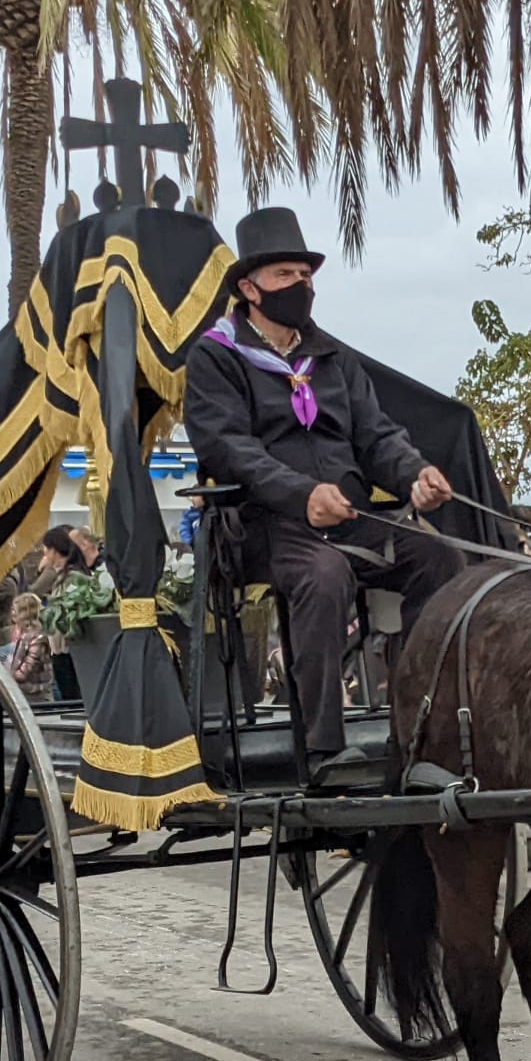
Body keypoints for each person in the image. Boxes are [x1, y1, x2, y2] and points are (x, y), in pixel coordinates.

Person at [184, 206, 462, 776]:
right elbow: (227, 447)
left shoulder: (332, 357)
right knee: (324, 573)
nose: (301, 285)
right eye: (285, 275)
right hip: (263, 525)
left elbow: (376, 436)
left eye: (306, 275)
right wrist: (300, 493)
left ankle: (419, 722)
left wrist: (414, 474)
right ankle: (321, 748)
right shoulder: (216, 355)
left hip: (349, 516)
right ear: (249, 287)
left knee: (440, 558)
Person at [9, 592, 54, 704]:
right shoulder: (18, 634)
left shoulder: (38, 637)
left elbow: (30, 664)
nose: (11, 614)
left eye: (15, 611)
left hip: (36, 694)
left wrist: (10, 676)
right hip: (21, 691)